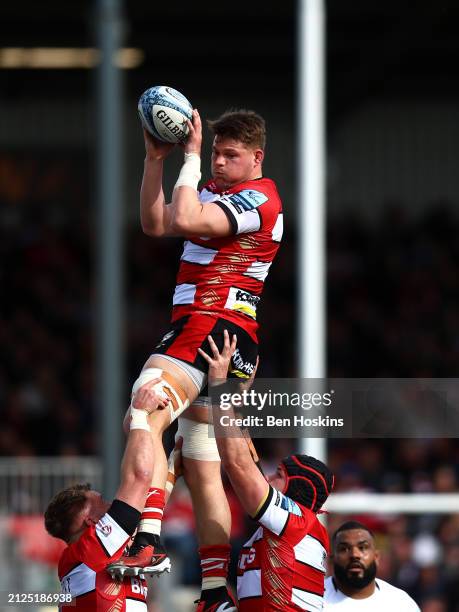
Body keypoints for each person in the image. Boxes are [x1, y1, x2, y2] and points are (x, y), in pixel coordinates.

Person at [113, 106, 283, 609]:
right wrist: (152, 161)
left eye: (231, 155)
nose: (219, 162)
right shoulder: (213, 190)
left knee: (145, 406)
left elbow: (183, 218)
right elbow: (154, 222)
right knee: (205, 464)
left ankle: (143, 535)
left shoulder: (261, 197)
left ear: (257, 158)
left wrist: (187, 160)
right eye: (214, 152)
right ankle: (214, 590)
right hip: (231, 339)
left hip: (210, 325)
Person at [198, 331, 334, 611]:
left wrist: (219, 387)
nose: (269, 477)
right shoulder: (288, 526)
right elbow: (246, 458)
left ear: (296, 488)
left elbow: (238, 465)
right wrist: (234, 403)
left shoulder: (297, 520)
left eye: (279, 475)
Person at [44, 378, 170, 610]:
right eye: (101, 502)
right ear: (91, 521)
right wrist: (140, 414)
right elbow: (141, 476)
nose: (112, 503)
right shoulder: (90, 550)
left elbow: (152, 497)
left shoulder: (92, 557)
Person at [323, 521, 421, 610]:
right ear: (333, 558)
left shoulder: (401, 604)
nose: (354, 555)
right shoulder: (314, 599)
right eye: (344, 549)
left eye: (362, 547)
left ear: (376, 557)